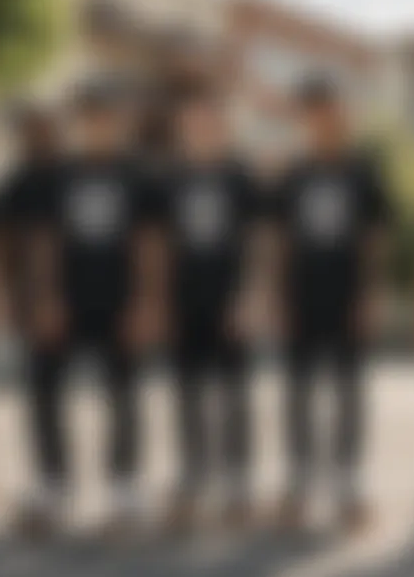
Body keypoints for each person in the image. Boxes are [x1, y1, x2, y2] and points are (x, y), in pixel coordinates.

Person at [18, 77, 164, 535]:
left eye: (104, 116)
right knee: (44, 388)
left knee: (123, 394)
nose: (96, 124)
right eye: (87, 116)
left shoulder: (138, 174)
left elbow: (150, 243)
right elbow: (44, 241)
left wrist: (146, 301)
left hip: (119, 302)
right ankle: (52, 485)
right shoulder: (55, 174)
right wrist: (46, 297)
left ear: (118, 121)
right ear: (77, 122)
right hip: (65, 303)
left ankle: (124, 487)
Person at [273, 77, 392, 533]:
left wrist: (371, 294)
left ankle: (348, 483)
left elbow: (374, 240)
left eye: (330, 111)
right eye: (314, 113)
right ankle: (300, 481)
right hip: (301, 299)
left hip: (348, 299)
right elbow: (280, 239)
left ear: (342, 115)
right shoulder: (295, 173)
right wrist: (275, 294)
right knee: (299, 394)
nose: (323, 121)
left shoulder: (363, 172)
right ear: (307, 120)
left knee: (347, 393)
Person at [155, 82, 261, 531]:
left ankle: (237, 484)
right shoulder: (169, 180)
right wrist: (157, 301)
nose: (202, 128)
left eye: (210, 120)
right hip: (184, 301)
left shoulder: (242, 178)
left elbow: (260, 241)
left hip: (230, 301)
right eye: (193, 121)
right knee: (188, 394)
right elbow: (156, 247)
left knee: (234, 396)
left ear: (223, 126)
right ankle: (194, 478)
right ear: (182, 127)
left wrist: (252, 293)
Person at [0, 105, 63, 534]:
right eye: (29, 128)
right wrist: (1, 293)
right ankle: (50, 486)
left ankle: (105, 488)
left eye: (43, 127)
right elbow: (1, 239)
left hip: (72, 302)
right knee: (42, 396)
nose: (36, 135)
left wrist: (49, 297)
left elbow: (46, 243)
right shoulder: (17, 180)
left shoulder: (67, 175)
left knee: (112, 391)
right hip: (33, 306)